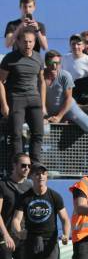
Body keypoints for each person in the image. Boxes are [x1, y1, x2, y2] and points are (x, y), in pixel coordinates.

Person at [0, 29, 45, 164]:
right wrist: (4, 105)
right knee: (16, 135)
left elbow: (42, 81)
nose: (28, 44)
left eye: (31, 41)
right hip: (16, 99)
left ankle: (35, 166)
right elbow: (0, 82)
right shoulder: (10, 58)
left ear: (34, 42)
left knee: (38, 134)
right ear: (18, 42)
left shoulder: (38, 57)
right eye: (25, 41)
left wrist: (43, 105)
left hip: (34, 100)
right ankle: (18, 166)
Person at [0, 153, 33, 259]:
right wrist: (6, 235)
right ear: (14, 166)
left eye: (28, 166)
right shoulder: (3, 185)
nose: (27, 169)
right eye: (23, 165)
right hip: (4, 238)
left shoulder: (30, 186)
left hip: (23, 238)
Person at [43, 50, 88, 133]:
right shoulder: (40, 76)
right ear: (46, 63)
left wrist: (59, 117)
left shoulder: (65, 76)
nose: (55, 66)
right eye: (52, 63)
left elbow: (68, 99)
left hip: (68, 108)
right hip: (51, 109)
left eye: (57, 63)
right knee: (44, 131)